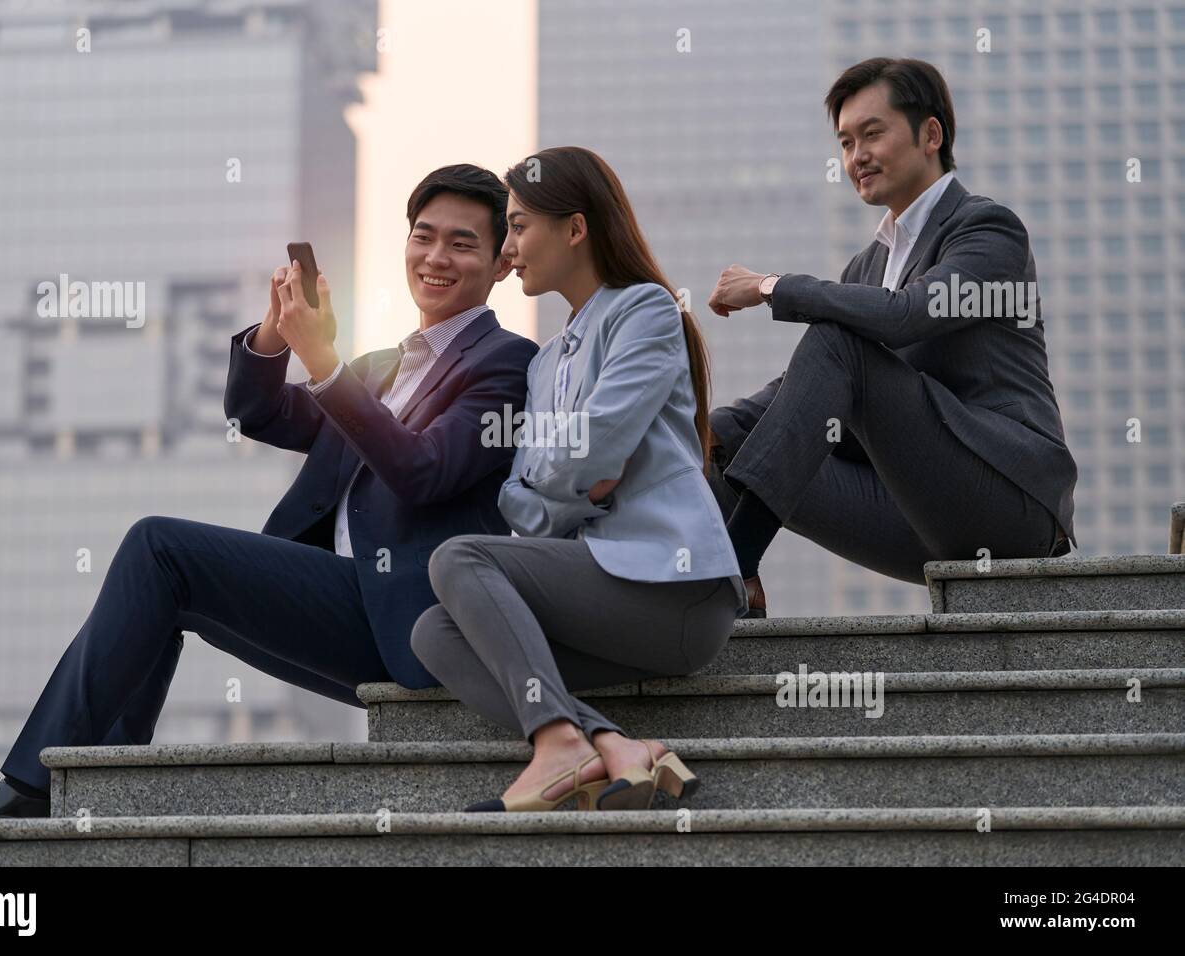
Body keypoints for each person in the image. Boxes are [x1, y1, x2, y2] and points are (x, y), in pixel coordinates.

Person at [0, 164, 539, 820]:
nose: (435, 257)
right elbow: (256, 413)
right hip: (335, 599)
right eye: (423, 237)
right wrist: (278, 334)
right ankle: (94, 789)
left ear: (501, 263)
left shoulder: (507, 364)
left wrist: (324, 363)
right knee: (161, 586)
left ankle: (27, 789)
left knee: (158, 547)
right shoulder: (376, 370)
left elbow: (422, 471)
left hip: (407, 618)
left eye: (461, 243)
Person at [410, 146, 747, 813]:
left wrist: (563, 473)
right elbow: (527, 505)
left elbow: (577, 460)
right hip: (607, 588)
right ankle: (605, 744)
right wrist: (572, 477)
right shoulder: (545, 363)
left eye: (519, 226)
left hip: (675, 588)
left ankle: (561, 746)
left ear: (575, 228)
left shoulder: (644, 310)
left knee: (459, 557)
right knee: (433, 633)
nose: (508, 248)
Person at [706, 57, 1078, 618]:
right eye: (846, 141)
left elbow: (907, 315)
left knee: (837, 342)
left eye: (872, 133)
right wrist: (700, 431)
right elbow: (800, 394)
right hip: (917, 516)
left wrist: (771, 286)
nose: (857, 156)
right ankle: (725, 594)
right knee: (723, 438)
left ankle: (733, 565)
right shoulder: (867, 265)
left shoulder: (987, 229)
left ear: (931, 134)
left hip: (1010, 502)